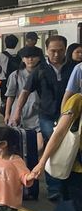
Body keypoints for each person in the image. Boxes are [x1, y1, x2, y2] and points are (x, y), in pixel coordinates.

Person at [16, 34, 70, 201]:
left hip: (70, 116)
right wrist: (17, 112)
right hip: (48, 115)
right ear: (46, 50)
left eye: (60, 51)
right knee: (52, 149)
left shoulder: (74, 68)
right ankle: (54, 188)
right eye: (53, 51)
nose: (56, 54)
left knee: (70, 150)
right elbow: (25, 92)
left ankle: (69, 185)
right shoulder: (40, 70)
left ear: (65, 50)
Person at [5, 45, 44, 200]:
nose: (30, 59)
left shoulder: (43, 73)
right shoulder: (15, 75)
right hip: (18, 116)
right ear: (22, 59)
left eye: (33, 56)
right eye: (27, 57)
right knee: (17, 150)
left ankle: (31, 178)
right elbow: (10, 96)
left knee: (38, 147)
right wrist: (8, 113)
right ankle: (20, 181)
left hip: (38, 115)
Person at [0, 34, 22, 101]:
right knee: (16, 100)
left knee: (5, 100)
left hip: (5, 81)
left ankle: (6, 110)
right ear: (16, 44)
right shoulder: (19, 54)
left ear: (5, 43)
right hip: (18, 80)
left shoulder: (1, 55)